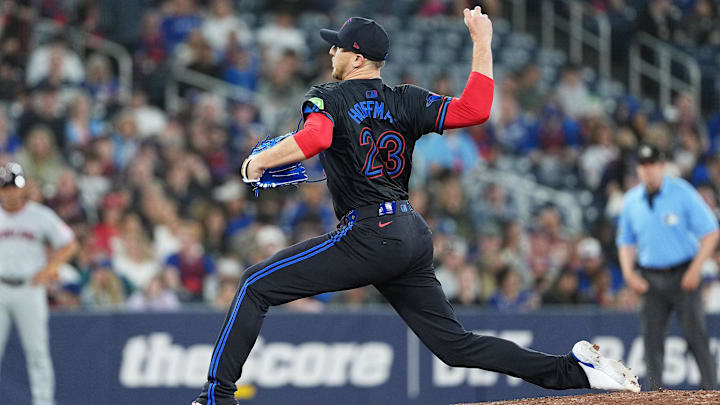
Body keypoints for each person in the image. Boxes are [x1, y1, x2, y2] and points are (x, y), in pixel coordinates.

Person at [192, 8, 639, 405]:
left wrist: (256, 163)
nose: (331, 52)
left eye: (338, 47)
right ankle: (575, 369)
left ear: (358, 57)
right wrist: (482, 43)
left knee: (254, 285)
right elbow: (476, 109)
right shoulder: (404, 98)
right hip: (409, 233)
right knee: (455, 345)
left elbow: (316, 139)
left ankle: (217, 397)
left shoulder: (328, 96)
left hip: (368, 234)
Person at [617, 143, 719, 390]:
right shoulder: (631, 200)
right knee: (651, 341)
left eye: (652, 164)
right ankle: (655, 394)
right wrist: (629, 274)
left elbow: (711, 231)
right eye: (642, 165)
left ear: (662, 166)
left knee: (695, 337)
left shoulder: (682, 192)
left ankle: (712, 392)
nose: (647, 170)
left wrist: (696, 268)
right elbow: (625, 241)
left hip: (683, 274)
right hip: (650, 277)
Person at [0, 162, 78, 405]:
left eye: (15, 186)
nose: (11, 191)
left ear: (24, 187)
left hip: (29, 288)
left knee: (37, 353)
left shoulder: (39, 215)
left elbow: (69, 243)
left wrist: (49, 269)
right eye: (6, 187)